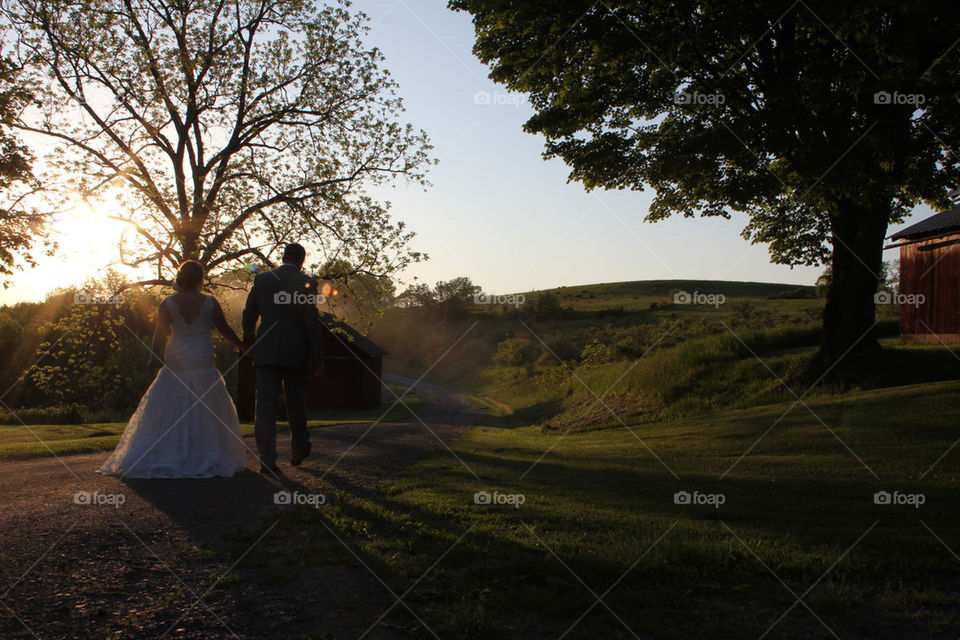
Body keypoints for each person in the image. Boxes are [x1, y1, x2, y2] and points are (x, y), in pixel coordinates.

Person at [99, 260, 248, 478]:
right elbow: (224, 329)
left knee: (172, 398)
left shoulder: (167, 303)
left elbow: (160, 334)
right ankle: (204, 452)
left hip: (176, 353)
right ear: (201, 279)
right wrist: (243, 347)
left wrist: (153, 359)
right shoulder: (209, 302)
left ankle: (169, 450)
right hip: (201, 354)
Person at [242, 243, 323, 473]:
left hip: (266, 351)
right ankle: (299, 448)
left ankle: (267, 459)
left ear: (283, 257)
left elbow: (249, 315)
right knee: (295, 402)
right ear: (302, 260)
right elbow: (312, 322)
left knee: (265, 405)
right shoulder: (307, 284)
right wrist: (317, 357)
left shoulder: (263, 281)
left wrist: (249, 341)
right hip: (296, 353)